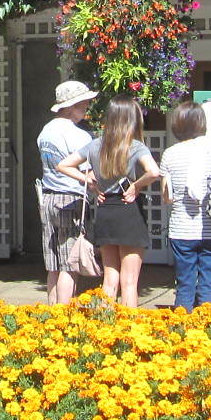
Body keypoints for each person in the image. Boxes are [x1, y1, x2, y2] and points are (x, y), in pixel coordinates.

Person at [56, 95, 161, 308]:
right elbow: (154, 172)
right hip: (129, 211)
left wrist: (90, 182)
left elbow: (63, 165)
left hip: (105, 210)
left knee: (109, 278)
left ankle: (105, 326)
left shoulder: (95, 145)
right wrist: (136, 185)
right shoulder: (136, 146)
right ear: (132, 119)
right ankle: (127, 328)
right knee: (130, 282)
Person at [161, 101, 211, 310]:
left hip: (182, 229)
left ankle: (182, 329)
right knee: (209, 283)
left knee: (184, 283)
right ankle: (208, 330)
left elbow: (167, 197)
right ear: (202, 123)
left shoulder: (170, 154)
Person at [36, 79, 97, 305]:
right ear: (72, 105)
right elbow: (88, 171)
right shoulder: (80, 136)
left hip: (48, 196)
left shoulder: (46, 132)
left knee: (53, 263)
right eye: (84, 103)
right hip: (71, 198)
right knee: (70, 263)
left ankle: (51, 313)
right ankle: (64, 315)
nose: (87, 107)